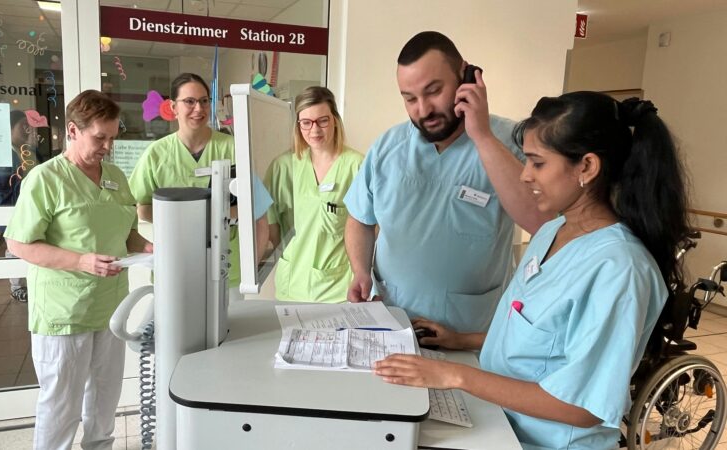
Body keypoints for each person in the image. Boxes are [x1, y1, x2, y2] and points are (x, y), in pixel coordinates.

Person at [374, 92, 689, 450]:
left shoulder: (620, 270)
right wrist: (461, 340)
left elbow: (583, 407)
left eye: (537, 163)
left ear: (587, 167)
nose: (525, 175)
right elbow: (537, 338)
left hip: (545, 442)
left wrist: (456, 375)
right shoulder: (552, 232)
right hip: (499, 420)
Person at [343, 31, 551, 331]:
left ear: (464, 75)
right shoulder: (387, 149)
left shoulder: (511, 142)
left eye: (434, 91)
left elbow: (543, 222)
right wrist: (360, 270)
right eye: (410, 99)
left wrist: (482, 136)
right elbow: (359, 218)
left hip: (469, 329)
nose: (423, 109)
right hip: (391, 322)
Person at [4, 90, 153, 450]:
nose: (107, 147)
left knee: (105, 396)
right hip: (64, 312)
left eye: (112, 138)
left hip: (110, 307)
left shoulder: (115, 176)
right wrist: (81, 261)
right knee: (62, 406)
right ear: (73, 130)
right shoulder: (45, 179)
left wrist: (151, 248)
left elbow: (125, 231)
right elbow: (19, 244)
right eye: (100, 137)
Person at [129, 72, 271, 300]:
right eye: (189, 101)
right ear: (173, 107)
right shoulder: (156, 154)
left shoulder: (234, 149)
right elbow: (141, 207)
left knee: (231, 323)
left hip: (227, 268)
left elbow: (258, 211)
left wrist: (250, 267)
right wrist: (185, 217)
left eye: (204, 101)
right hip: (175, 266)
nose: (198, 109)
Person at [264, 86, 364, 302]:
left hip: (337, 288)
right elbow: (272, 227)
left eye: (322, 121)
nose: (315, 130)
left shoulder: (356, 166)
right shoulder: (283, 167)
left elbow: (367, 229)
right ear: (298, 125)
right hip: (292, 285)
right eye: (306, 123)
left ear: (335, 120)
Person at [0, 110, 38, 302]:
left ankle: (27, 283)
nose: (27, 129)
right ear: (10, 128)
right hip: (11, 208)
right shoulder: (1, 155)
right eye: (23, 125)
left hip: (30, 208)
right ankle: (17, 287)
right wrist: (6, 212)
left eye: (29, 125)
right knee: (15, 247)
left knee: (27, 245)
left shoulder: (26, 151)